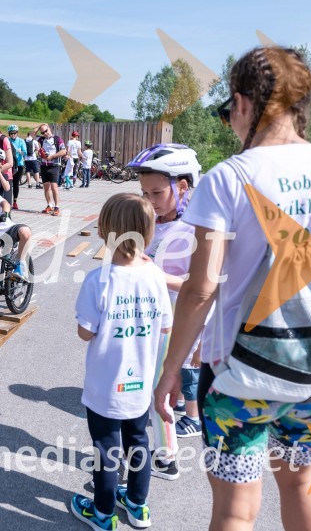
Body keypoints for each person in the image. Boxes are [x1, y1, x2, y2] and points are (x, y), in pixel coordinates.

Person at [153, 47, 311, 531]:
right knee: (301, 484)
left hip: (236, 376)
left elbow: (200, 290)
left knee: (235, 509)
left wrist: (170, 372)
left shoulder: (229, 178)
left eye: (229, 111)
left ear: (242, 102)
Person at [71, 193, 173, 531]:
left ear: (103, 230)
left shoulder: (97, 280)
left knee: (106, 449)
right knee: (138, 442)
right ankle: (138, 505)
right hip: (141, 383)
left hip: (105, 387)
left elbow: (86, 333)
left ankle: (102, 514)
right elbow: (167, 325)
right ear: (149, 233)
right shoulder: (156, 276)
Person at [127, 143, 205, 480]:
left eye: (157, 192)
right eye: (144, 192)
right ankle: (154, 457)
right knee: (147, 394)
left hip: (175, 327)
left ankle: (163, 459)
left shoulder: (196, 230)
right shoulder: (153, 222)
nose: (150, 200)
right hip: (147, 321)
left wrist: (154, 273)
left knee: (158, 396)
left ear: (183, 186)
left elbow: (201, 287)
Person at [33, 124, 66, 216]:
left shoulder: (57, 139)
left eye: (46, 131)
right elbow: (32, 133)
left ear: (49, 129)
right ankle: (49, 205)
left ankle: (57, 206)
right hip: (44, 165)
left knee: (54, 186)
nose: (45, 133)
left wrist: (52, 156)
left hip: (54, 165)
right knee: (46, 187)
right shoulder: (41, 139)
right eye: (42, 132)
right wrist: (40, 126)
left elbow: (64, 151)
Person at [6, 125, 27, 210]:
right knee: (8, 182)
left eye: (14, 133)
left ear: (17, 133)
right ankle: (7, 200)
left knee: (15, 183)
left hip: (19, 164)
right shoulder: (7, 140)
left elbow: (25, 153)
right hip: (10, 164)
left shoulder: (21, 141)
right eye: (11, 133)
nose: (13, 135)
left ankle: (15, 201)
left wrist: (20, 151)